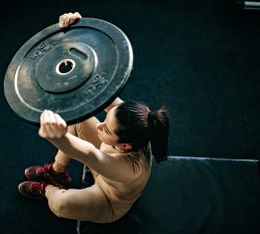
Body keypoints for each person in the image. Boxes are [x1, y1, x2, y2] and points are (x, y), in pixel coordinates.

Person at [17, 12, 170, 223]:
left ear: (125, 146)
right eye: (106, 120)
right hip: (105, 162)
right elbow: (95, 90)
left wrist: (57, 136)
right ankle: (57, 172)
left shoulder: (129, 169)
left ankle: (49, 189)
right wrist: (74, 32)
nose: (100, 126)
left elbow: (89, 154)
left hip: (108, 198)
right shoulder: (133, 123)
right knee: (80, 117)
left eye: (106, 129)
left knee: (61, 205)